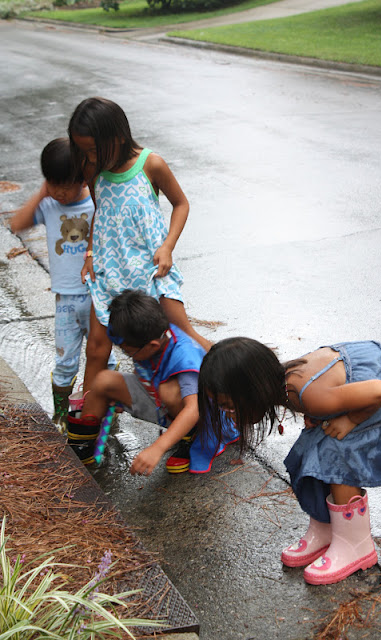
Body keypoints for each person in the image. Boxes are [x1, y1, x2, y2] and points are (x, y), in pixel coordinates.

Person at [197, 338, 381, 585]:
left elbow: (378, 391)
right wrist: (318, 414)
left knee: (335, 452)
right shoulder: (286, 386)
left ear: (253, 389)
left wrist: (350, 420)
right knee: (311, 446)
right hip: (368, 387)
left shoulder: (308, 393)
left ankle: (356, 544)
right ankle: (326, 528)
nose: (228, 414)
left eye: (229, 406)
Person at [67, 97, 211, 396]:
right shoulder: (93, 169)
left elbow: (181, 204)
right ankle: (89, 411)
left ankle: (229, 386)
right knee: (96, 347)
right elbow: (101, 213)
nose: (89, 157)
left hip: (151, 268)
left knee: (184, 335)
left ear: (118, 137)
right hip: (109, 271)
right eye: (84, 151)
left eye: (94, 150)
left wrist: (167, 247)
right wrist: (90, 254)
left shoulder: (151, 164)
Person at [9, 138, 117, 432]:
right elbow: (17, 224)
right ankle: (61, 415)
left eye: (65, 186)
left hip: (96, 296)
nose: (59, 192)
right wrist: (42, 192)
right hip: (65, 300)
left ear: (82, 178)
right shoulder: (49, 204)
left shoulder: (95, 203)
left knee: (103, 357)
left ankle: (105, 405)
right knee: (65, 361)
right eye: (52, 184)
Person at [67, 289, 238, 472]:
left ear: (152, 345)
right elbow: (142, 373)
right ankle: (83, 448)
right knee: (103, 381)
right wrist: (118, 396)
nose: (127, 354)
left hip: (203, 417)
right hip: (159, 399)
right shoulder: (154, 336)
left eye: (128, 351)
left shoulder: (184, 357)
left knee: (169, 391)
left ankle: (192, 436)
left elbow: (193, 408)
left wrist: (158, 448)